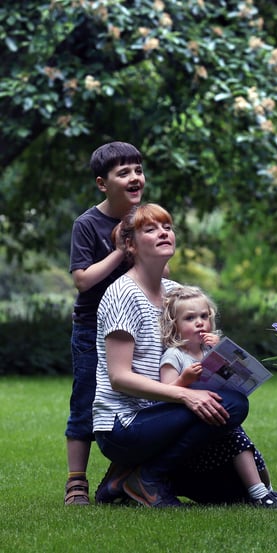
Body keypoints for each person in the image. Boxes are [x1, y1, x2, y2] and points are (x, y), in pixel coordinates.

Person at [91, 203, 275, 508]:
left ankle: (120, 482)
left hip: (165, 416)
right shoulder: (121, 294)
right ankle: (148, 475)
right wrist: (188, 397)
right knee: (233, 404)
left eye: (167, 227)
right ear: (130, 245)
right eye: (150, 229)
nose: (163, 232)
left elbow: (194, 349)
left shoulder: (174, 292)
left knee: (232, 492)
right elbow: (119, 377)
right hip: (124, 425)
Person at [159, 285, 277, 508]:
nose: (199, 322)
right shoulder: (175, 356)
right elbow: (166, 391)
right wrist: (184, 380)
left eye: (203, 316)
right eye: (190, 318)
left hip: (219, 416)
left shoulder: (209, 350)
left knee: (248, 448)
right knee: (236, 438)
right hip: (194, 424)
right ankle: (260, 493)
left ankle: (266, 490)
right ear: (175, 325)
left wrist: (221, 350)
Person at [64, 141, 145, 505]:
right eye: (123, 171)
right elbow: (82, 280)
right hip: (92, 329)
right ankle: (76, 482)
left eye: (138, 170)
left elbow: (158, 273)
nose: (134, 177)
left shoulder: (145, 219)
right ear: (102, 183)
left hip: (133, 328)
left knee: (137, 401)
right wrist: (119, 251)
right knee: (85, 401)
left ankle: (125, 476)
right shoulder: (87, 224)